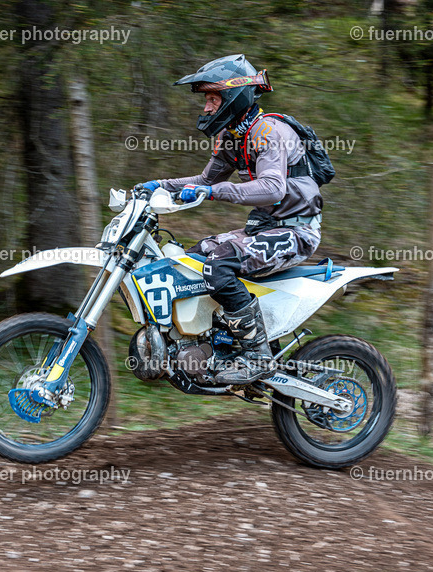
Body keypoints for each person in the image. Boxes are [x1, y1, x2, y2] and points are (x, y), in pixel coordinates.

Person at [135, 54, 323, 385]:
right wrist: (157, 187)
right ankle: (219, 345)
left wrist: (217, 192)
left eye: (212, 98)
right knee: (195, 257)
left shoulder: (267, 132)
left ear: (233, 95)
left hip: (296, 231)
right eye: (206, 100)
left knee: (219, 262)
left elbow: (272, 188)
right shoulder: (235, 136)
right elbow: (205, 182)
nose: (207, 107)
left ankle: (257, 356)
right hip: (265, 228)